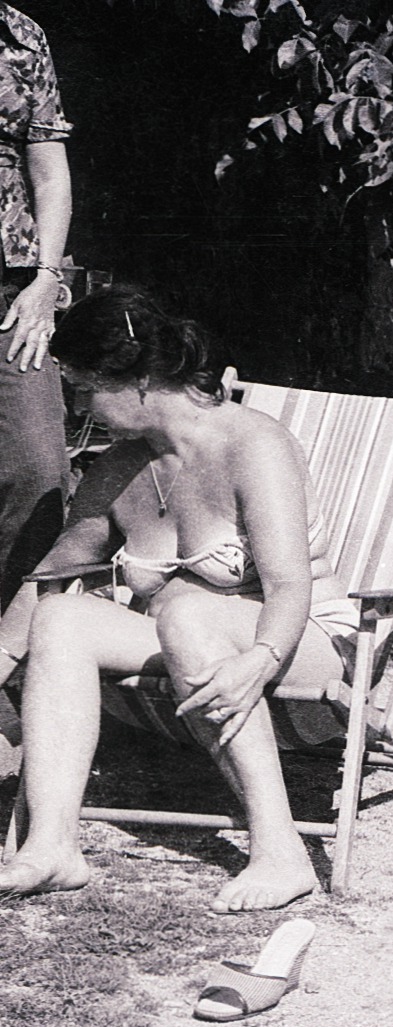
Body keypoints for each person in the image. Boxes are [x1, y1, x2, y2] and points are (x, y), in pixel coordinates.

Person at [0, 286, 356, 913]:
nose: (79, 407)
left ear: (136, 380)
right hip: (188, 649)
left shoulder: (253, 446)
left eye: (86, 389)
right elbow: (51, 576)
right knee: (61, 618)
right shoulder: (119, 468)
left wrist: (262, 658)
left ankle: (280, 851)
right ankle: (52, 845)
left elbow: (287, 587)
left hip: (302, 644)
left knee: (189, 611)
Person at [0, 4, 73, 634]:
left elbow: (48, 172)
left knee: (39, 471)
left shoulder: (23, 38)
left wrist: (48, 280)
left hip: (12, 294)